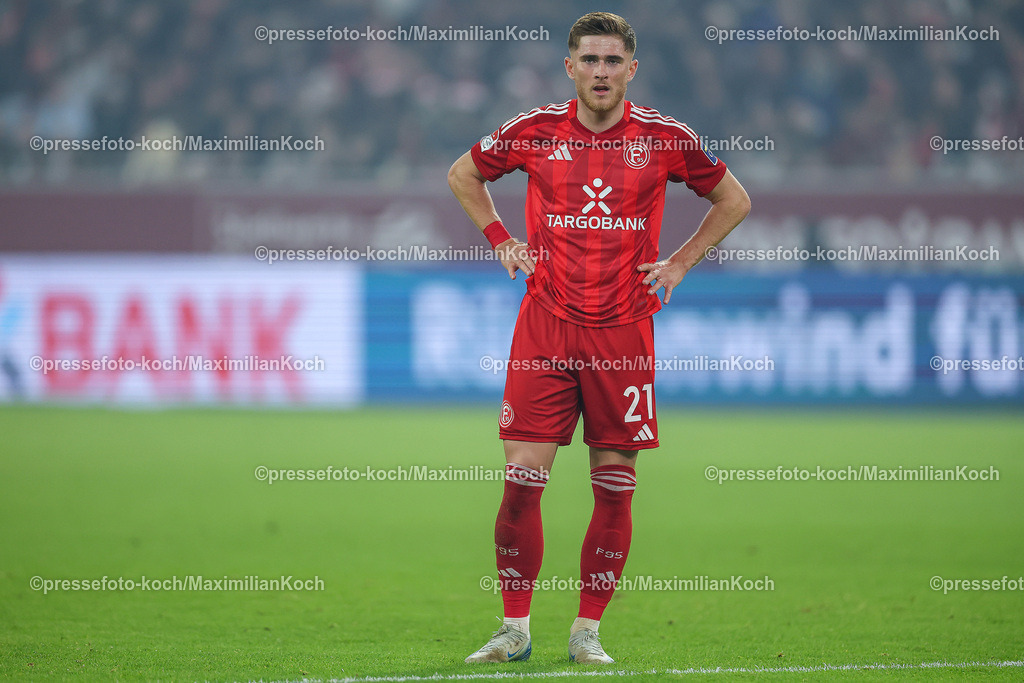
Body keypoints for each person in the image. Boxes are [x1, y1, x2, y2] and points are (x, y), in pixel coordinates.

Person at [447, 11, 750, 664]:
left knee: (613, 486)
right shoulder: (534, 131)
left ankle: (586, 631)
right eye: (590, 59)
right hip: (546, 325)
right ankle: (514, 628)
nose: (601, 71)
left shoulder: (664, 138)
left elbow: (734, 199)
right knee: (521, 481)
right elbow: (462, 173)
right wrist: (500, 239)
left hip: (623, 334)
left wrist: (679, 263)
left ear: (631, 69)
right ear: (570, 67)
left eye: (613, 61)